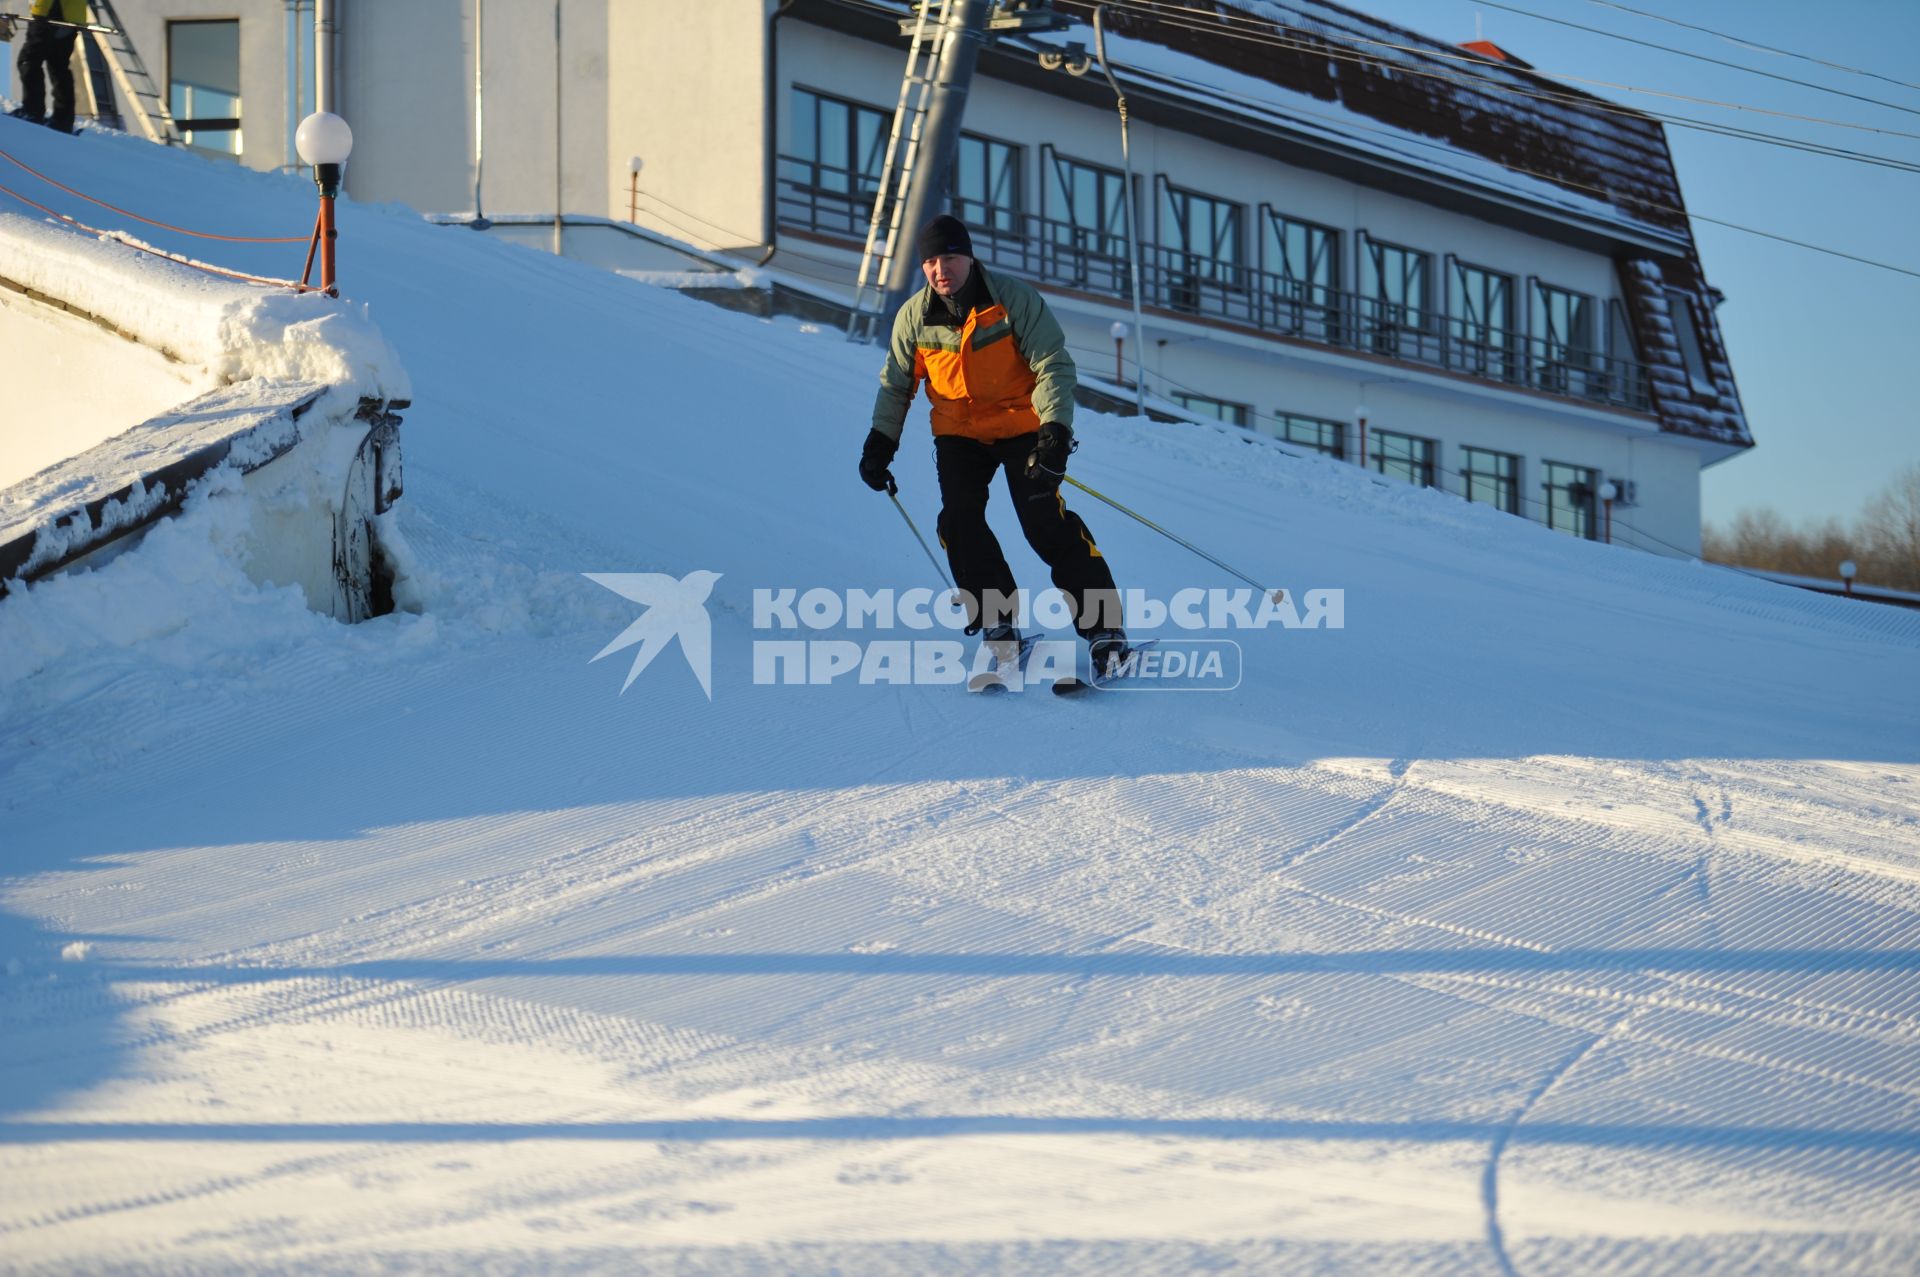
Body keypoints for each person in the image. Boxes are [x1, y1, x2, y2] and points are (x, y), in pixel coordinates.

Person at [860, 213, 1127, 673]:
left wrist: (1055, 431)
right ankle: (997, 623)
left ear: (968, 257)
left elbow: (1052, 364)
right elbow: (896, 386)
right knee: (960, 521)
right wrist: (880, 444)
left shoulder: (1011, 299)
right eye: (930, 262)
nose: (940, 269)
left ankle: (1105, 630)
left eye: (949, 257)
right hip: (959, 436)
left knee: (1043, 522)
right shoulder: (914, 317)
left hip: (1022, 426)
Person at [8, 0, 87, 135]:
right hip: (72, 17)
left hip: (50, 11)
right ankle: (63, 121)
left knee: (29, 60)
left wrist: (39, 11)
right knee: (59, 67)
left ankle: (32, 111)